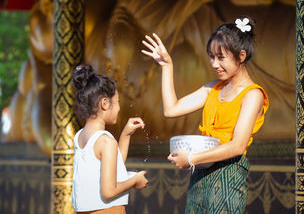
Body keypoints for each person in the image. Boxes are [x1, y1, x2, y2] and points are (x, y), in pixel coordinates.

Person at [141, 17, 269, 213]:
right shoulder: (212, 89)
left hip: (229, 175)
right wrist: (167, 66)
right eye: (211, 57)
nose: (214, 64)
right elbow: (171, 109)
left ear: (241, 56)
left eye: (221, 57)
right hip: (200, 174)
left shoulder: (253, 95)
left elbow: (237, 146)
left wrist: (192, 159)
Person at [72, 65, 148, 214]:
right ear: (105, 103)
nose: (119, 108)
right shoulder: (106, 142)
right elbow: (108, 191)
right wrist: (136, 180)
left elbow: (114, 165)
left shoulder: (80, 136)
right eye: (118, 102)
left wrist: (126, 134)